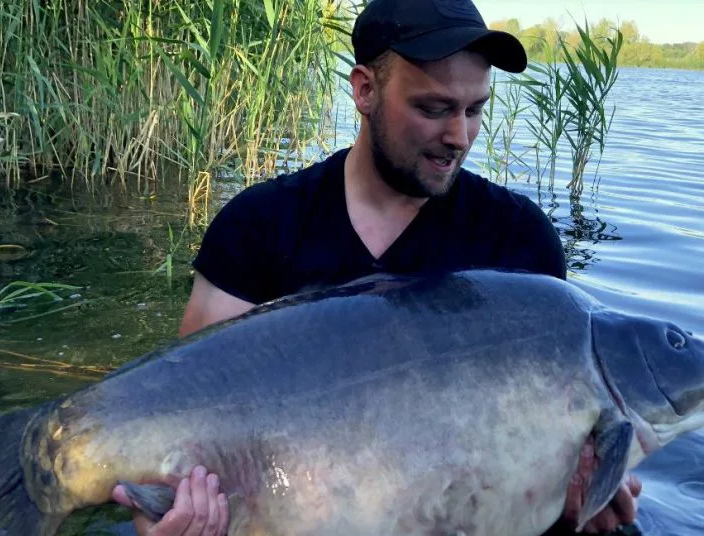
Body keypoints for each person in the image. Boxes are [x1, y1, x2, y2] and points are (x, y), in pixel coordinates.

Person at [113, 0, 642, 534]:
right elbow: (179, 411)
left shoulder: (519, 242)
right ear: (364, 90)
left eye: (475, 109)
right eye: (433, 109)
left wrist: (575, 501)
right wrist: (163, 519)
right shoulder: (259, 224)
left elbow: (540, 450)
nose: (459, 136)